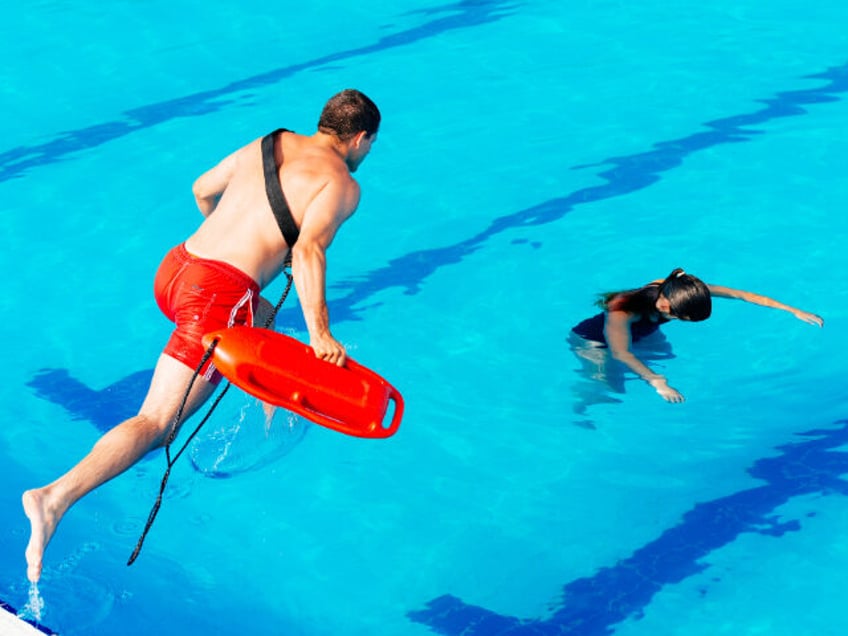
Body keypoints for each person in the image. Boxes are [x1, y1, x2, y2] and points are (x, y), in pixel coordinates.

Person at [22, 89, 381, 583]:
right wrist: (321, 333)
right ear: (361, 138)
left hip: (177, 269)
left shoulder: (271, 141)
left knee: (257, 310)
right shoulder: (341, 182)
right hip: (216, 296)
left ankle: (267, 394)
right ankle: (53, 498)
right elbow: (310, 252)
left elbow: (201, 188)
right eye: (369, 146)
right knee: (155, 423)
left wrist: (231, 250)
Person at [570, 267, 823, 406]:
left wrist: (793, 310)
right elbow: (621, 352)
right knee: (613, 387)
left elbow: (740, 294)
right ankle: (584, 401)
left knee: (665, 355)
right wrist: (657, 382)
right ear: (669, 308)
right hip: (594, 341)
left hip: (645, 330)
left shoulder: (681, 290)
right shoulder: (622, 309)